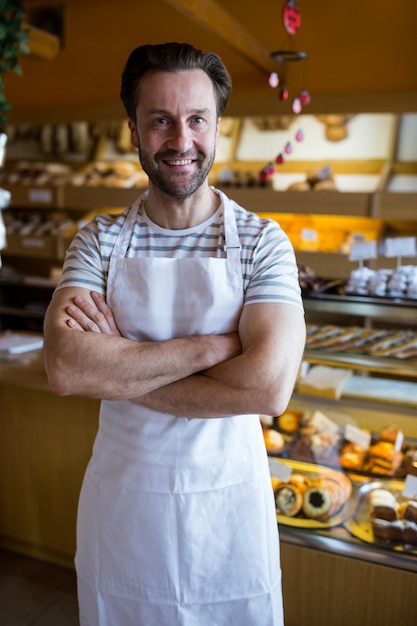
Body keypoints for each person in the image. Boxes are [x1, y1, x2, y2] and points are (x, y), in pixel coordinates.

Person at [43, 42, 306, 626]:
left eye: (196, 120)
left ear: (217, 127)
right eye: (159, 120)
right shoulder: (99, 242)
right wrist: (212, 348)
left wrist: (115, 368)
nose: (180, 141)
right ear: (133, 130)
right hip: (125, 511)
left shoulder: (263, 243)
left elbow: (267, 389)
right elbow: (65, 368)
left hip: (229, 512)